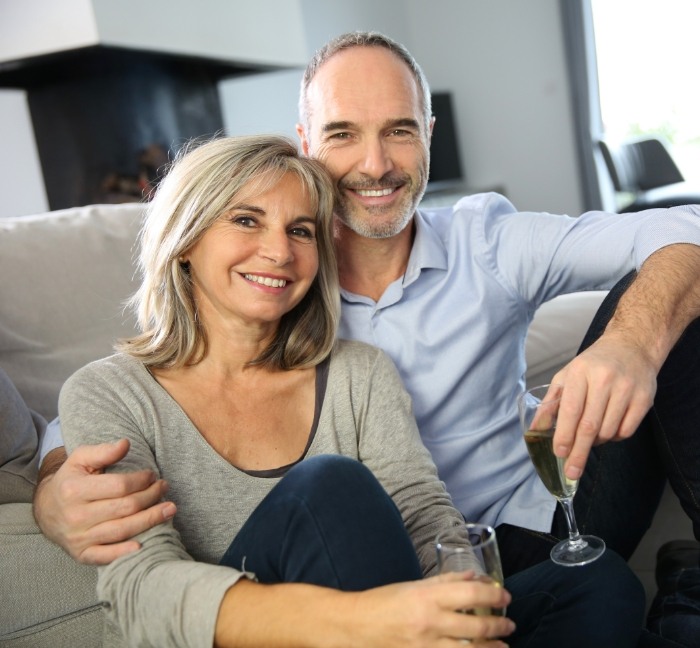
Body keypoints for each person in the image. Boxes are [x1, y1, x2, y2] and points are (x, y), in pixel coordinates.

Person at [35, 31, 700, 643]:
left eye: (400, 131)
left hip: (520, 516)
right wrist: (53, 486)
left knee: (669, 310)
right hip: (350, 563)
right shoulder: (262, 286)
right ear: (307, 140)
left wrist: (631, 345)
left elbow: (684, 232)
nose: (376, 163)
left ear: (428, 134)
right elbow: (128, 396)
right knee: (336, 488)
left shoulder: (471, 257)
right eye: (344, 133)